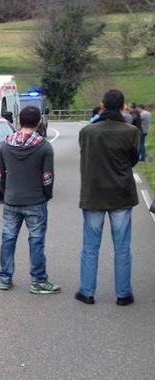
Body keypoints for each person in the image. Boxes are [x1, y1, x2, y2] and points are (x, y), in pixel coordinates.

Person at [76, 89, 140, 306]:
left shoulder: (87, 132)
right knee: (122, 247)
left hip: (93, 194)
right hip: (121, 193)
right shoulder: (131, 131)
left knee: (90, 246)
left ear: (102, 105)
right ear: (122, 107)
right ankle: (123, 294)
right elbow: (133, 160)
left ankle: (87, 292)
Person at [0, 106, 59, 294]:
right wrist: (47, 195)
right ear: (39, 121)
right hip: (35, 200)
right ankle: (38, 281)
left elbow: (0, 173)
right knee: (36, 241)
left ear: (19, 121)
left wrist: (5, 192)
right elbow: (48, 177)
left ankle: (5, 278)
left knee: (8, 239)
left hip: (11, 200)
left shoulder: (5, 144)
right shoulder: (44, 146)